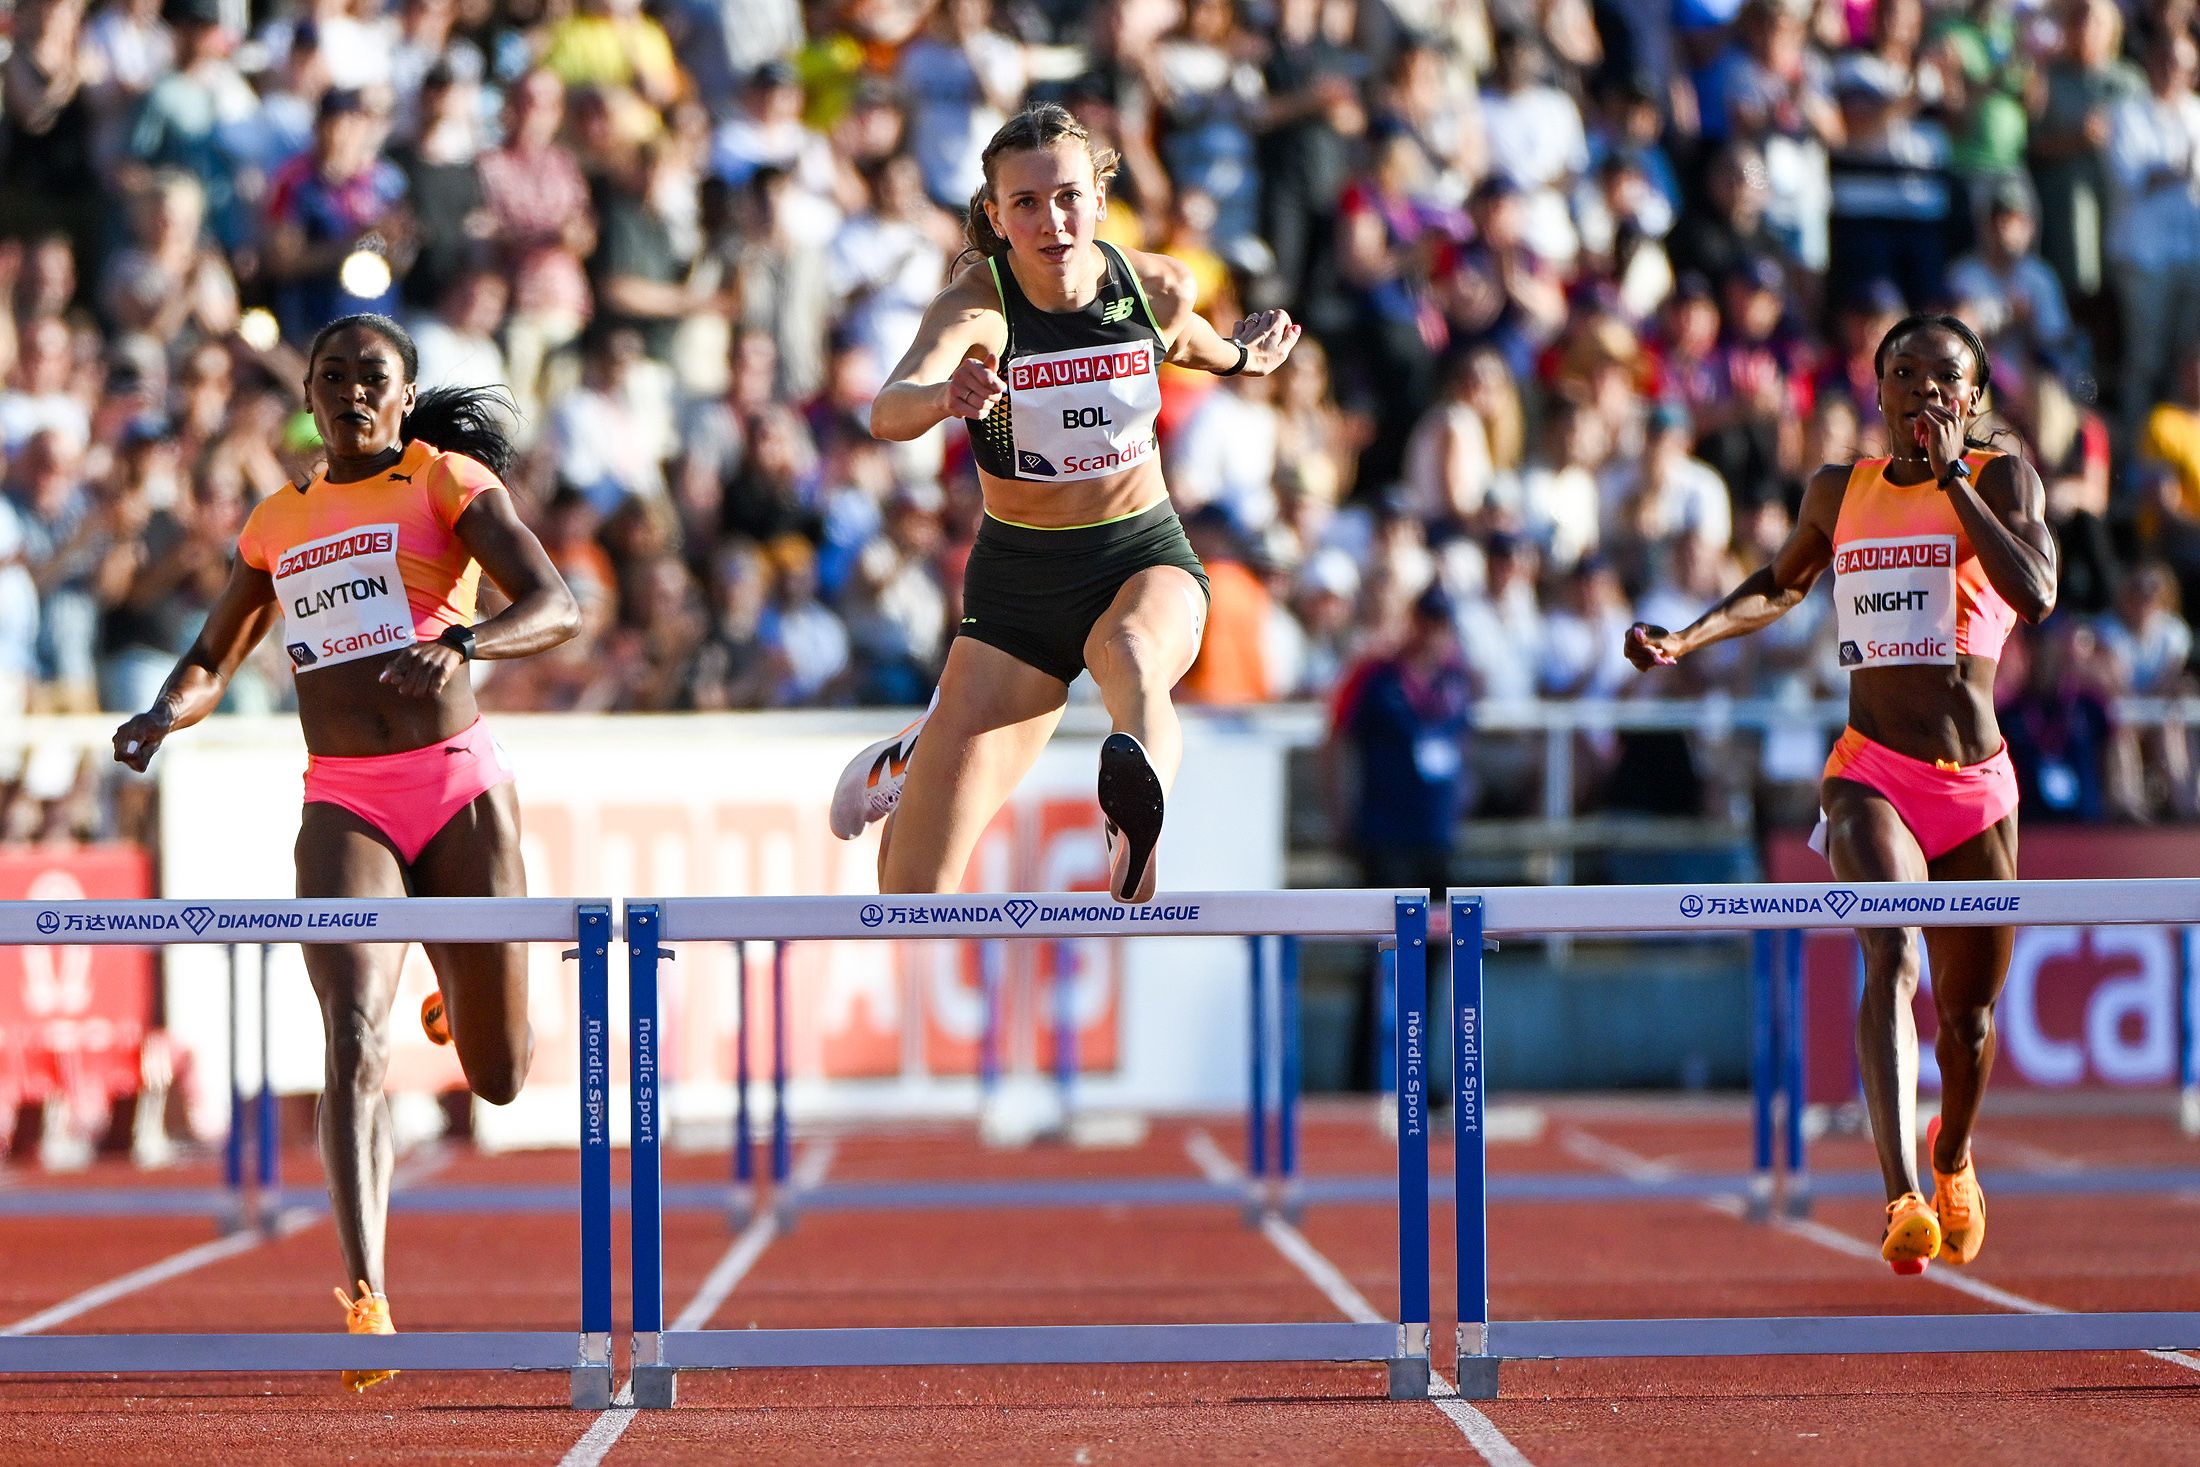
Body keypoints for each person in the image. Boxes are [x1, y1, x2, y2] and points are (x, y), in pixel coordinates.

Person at [109, 313, 580, 1389]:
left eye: (374, 377)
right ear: (309, 397)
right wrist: (160, 713)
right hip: (347, 804)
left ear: (404, 396)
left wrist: (460, 641)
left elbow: (557, 605)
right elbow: (209, 652)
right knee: (352, 1042)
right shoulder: (279, 519)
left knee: (499, 1078)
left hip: (457, 788)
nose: (352, 392)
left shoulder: (444, 480)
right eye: (333, 377)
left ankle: (455, 1001)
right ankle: (366, 1296)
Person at [1623, 314, 2057, 1274]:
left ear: (1972, 399)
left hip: (1976, 786)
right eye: (1902, 374)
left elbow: (2036, 593)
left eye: (1943, 377)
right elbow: (1780, 585)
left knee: (1969, 1020)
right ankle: (1902, 1193)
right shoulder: (1841, 490)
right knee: (1890, 947)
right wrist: (1687, 639)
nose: (1921, 390)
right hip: (1871, 773)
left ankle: (1952, 1156)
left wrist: (1951, 478)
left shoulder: (2001, 479)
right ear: (1879, 392)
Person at [828, 103, 1300, 902]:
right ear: (995, 216)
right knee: (911, 893)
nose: (1053, 221)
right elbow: (887, 409)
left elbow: (1185, 340)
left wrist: (1242, 360)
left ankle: (1131, 825)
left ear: (1101, 199)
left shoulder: (1154, 284)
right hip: (1020, 589)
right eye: (1026, 203)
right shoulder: (980, 307)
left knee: (1133, 656)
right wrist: (947, 394)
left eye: (1069, 196)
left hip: (1140, 557)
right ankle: (919, 749)